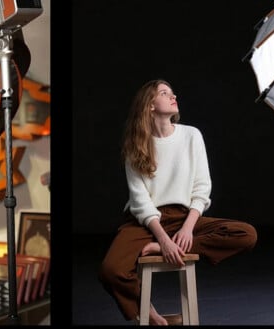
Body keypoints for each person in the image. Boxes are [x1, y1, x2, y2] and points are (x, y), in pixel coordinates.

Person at [98, 79, 258, 325]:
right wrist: (162, 238)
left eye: (172, 93)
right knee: (111, 269)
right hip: (145, 222)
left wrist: (185, 229)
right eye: (165, 93)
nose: (173, 96)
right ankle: (149, 315)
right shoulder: (136, 145)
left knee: (246, 234)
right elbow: (140, 200)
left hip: (184, 217)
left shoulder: (191, 135)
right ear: (150, 105)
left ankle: (168, 247)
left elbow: (202, 188)